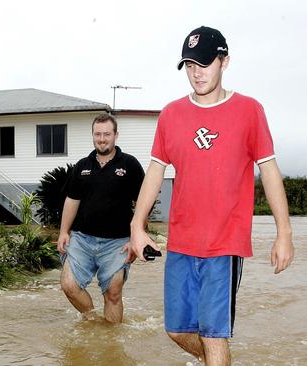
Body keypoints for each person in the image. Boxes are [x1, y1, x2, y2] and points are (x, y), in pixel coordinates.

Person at [128, 26, 294, 365]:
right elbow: (156, 171)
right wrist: (137, 225)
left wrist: (284, 233)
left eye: (204, 63)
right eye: (189, 64)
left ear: (225, 61)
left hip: (225, 244)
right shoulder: (171, 114)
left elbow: (270, 171)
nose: (196, 73)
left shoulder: (249, 110)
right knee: (176, 330)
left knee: (213, 334)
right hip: (181, 242)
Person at [58, 113, 144, 323]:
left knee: (113, 293)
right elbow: (71, 200)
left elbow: (143, 205)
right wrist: (63, 232)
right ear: (93, 135)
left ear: (116, 135)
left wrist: (136, 238)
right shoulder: (82, 166)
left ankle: (112, 343)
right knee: (69, 285)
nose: (102, 139)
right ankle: (94, 320)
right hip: (82, 239)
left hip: (117, 242)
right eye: (98, 134)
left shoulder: (130, 165)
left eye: (107, 134)